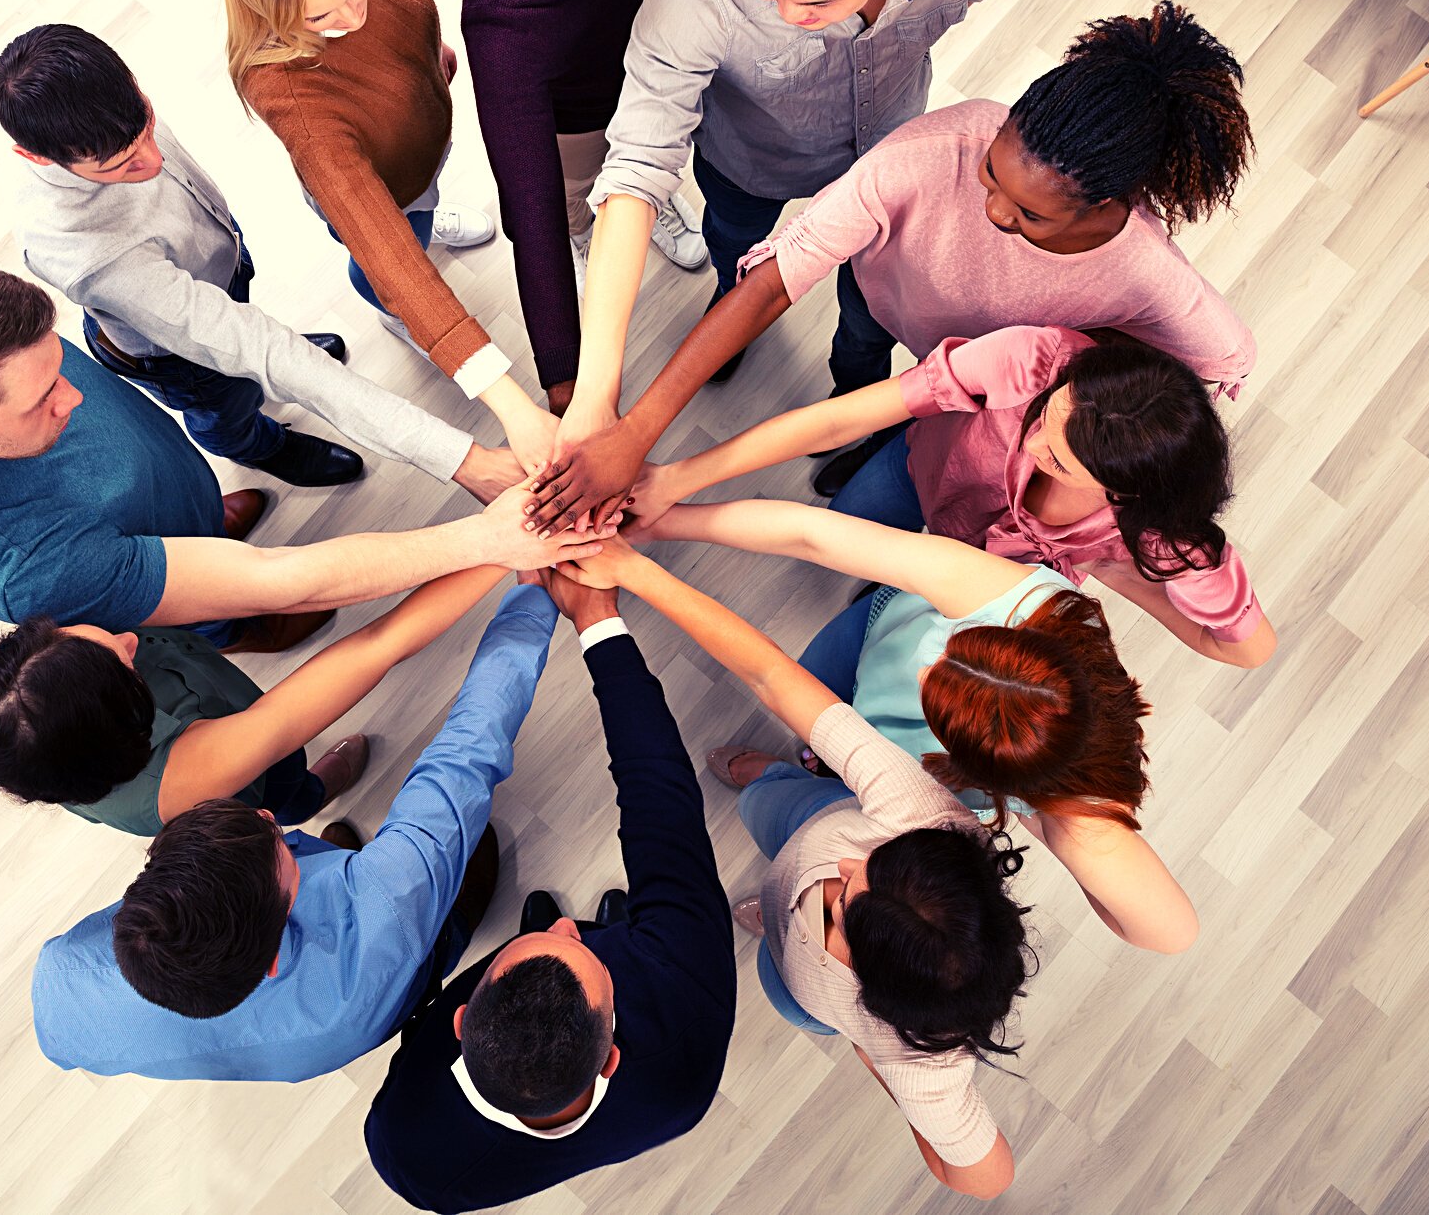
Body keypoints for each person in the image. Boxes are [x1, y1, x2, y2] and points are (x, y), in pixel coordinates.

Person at [558, 537, 1196, 1201]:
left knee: (780, 971)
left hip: (807, 991)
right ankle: (766, 777)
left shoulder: (918, 1059)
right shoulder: (921, 811)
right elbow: (775, 677)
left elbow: (985, 1178)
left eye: (837, 910)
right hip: (807, 816)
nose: (836, 869)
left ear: (883, 1002)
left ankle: (765, 891)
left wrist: (888, 1068)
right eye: (864, 865)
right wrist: (636, 572)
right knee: (770, 805)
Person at [527, 1, 1258, 533]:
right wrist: (636, 430)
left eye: (1028, 215)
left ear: (1108, 202)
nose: (994, 213)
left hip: (968, 383)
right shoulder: (930, 149)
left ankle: (880, 440)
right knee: (855, 362)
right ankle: (864, 430)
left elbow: (1218, 367)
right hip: (878, 298)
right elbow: (777, 279)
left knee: (905, 429)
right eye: (990, 175)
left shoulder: (1147, 277)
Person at [547, 0, 1017, 498]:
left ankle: (852, 397)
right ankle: (726, 317)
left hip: (889, 153)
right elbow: (637, 162)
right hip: (749, 157)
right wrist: (594, 394)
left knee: (870, 301)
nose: (791, 16)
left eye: (817, 3)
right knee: (733, 238)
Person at [0, 262, 599, 651]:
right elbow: (284, 578)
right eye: (40, 401)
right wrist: (486, 539)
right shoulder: (25, 565)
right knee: (236, 602)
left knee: (185, 518)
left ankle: (196, 524)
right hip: (134, 578)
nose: (77, 394)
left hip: (152, 499)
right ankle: (235, 623)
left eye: (57, 364)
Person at [30, 578, 560, 1083]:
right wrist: (534, 597)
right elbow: (467, 754)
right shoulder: (386, 910)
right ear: (276, 954)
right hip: (376, 991)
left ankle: (323, 854)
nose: (267, 817)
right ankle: (454, 921)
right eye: (278, 845)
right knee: (436, 914)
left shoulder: (63, 984)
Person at [0, 23, 525, 500]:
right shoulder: (90, 254)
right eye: (123, 164)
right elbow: (262, 348)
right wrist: (461, 459)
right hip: (175, 354)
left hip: (217, 270)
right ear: (36, 157)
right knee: (226, 402)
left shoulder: (93, 116)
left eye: (149, 127)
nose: (153, 162)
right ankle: (260, 446)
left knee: (258, 355)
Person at [362, 567, 735, 1212]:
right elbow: (659, 794)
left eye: (535, 942)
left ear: (461, 1019)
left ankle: (613, 939)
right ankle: (623, 930)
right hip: (661, 962)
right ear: (610, 1060)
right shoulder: (686, 1047)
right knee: (628, 930)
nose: (561, 927)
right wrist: (599, 621)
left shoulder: (411, 1153)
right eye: (573, 944)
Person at [629, 326, 1276, 667]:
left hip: (976, 585)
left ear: (1124, 491)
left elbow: (1246, 648)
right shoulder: (1034, 360)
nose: (1030, 445)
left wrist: (1148, 582)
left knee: (840, 653)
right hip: (920, 474)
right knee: (841, 525)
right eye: (1042, 416)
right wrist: (676, 480)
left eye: (1056, 457)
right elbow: (839, 423)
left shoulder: (1167, 540)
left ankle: (881, 594)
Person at [220, 0, 559, 474]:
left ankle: (423, 220)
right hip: (376, 193)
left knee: (422, 208)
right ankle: (396, 311)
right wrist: (507, 399)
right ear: (269, 14)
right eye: (321, 15)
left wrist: (429, 56)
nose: (354, 14)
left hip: (419, 138)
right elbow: (382, 242)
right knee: (398, 253)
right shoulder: (290, 91)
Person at [0, 566, 512, 835]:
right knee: (280, 792)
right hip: (237, 770)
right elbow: (377, 645)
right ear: (132, 723)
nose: (131, 638)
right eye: (124, 659)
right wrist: (501, 555)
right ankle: (309, 795)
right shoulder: (195, 771)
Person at [630, 496, 1161, 817]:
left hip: (895, 766)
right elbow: (811, 536)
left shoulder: (1021, 794)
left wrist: (636, 574)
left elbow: (1167, 929)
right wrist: (661, 522)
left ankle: (795, 771)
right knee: (814, 680)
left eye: (936, 695)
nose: (925, 667)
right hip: (874, 644)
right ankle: (809, 763)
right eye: (958, 651)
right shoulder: (1022, 598)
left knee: (832, 779)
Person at [464, 0, 708, 411]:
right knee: (573, 207)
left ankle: (646, 205)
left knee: (669, 164)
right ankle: (596, 229)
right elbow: (529, 209)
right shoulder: (499, 14)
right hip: (579, 117)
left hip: (670, 60)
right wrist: (568, 386)